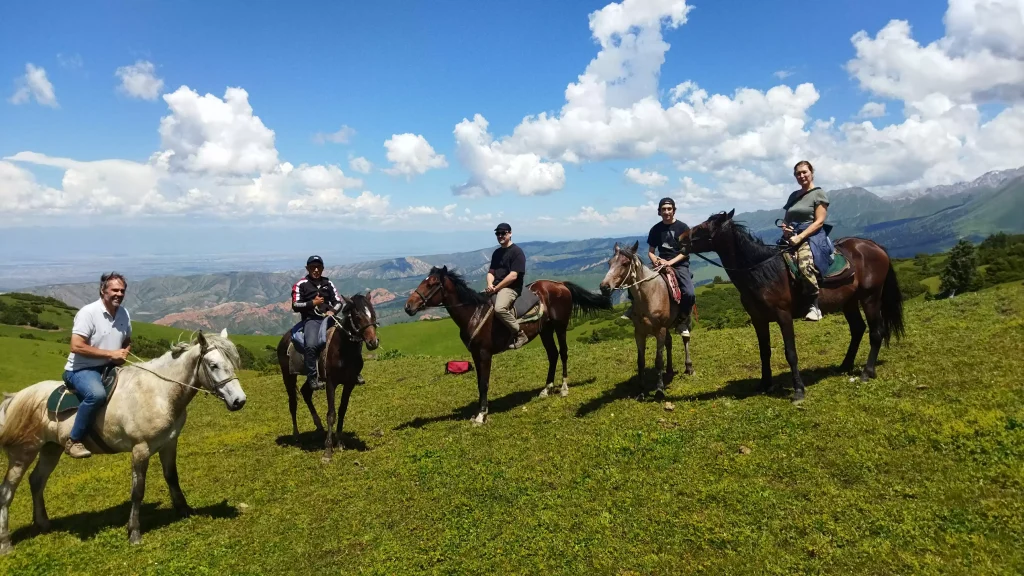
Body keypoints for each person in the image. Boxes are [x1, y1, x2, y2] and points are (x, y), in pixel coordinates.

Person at [61, 272, 133, 458]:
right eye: (114, 290)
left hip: (109, 366)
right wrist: (111, 354)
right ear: (103, 290)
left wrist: (124, 352)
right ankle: (74, 440)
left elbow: (127, 340)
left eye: (122, 290)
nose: (119, 294)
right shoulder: (88, 313)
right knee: (96, 395)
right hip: (81, 369)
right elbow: (76, 346)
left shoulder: (123, 313)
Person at [621, 197, 696, 336]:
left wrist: (670, 263)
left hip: (679, 265)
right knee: (635, 279)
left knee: (689, 293)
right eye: (663, 209)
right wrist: (656, 261)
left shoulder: (683, 227)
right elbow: (651, 251)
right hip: (659, 263)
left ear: (674, 210)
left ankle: (683, 320)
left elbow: (686, 252)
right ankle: (633, 309)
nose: (666, 212)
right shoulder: (655, 229)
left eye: (669, 209)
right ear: (659, 212)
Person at [782, 160, 832, 321]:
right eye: (798, 173)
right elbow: (786, 219)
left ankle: (814, 305)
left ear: (811, 173)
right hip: (792, 235)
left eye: (804, 172)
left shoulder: (818, 194)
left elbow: (819, 221)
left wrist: (800, 237)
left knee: (804, 265)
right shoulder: (793, 196)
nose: (801, 175)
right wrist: (785, 229)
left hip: (811, 234)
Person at [291, 255, 344, 391]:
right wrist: (312, 303)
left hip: (330, 318)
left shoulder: (328, 283)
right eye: (312, 267)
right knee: (310, 345)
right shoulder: (301, 285)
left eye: (318, 267)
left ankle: (354, 371)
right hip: (312, 320)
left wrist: (332, 311)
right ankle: (312, 378)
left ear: (322, 268)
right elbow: (296, 304)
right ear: (307, 268)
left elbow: (338, 302)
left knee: (352, 334)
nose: (316, 270)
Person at [485, 222, 529, 349]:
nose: (500, 236)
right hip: (496, 286)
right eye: (498, 233)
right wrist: (489, 284)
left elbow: (513, 276)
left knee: (499, 308)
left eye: (503, 233)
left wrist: (497, 288)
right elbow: (491, 272)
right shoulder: (497, 253)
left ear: (510, 233)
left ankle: (519, 333)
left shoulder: (517, 252)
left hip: (511, 288)